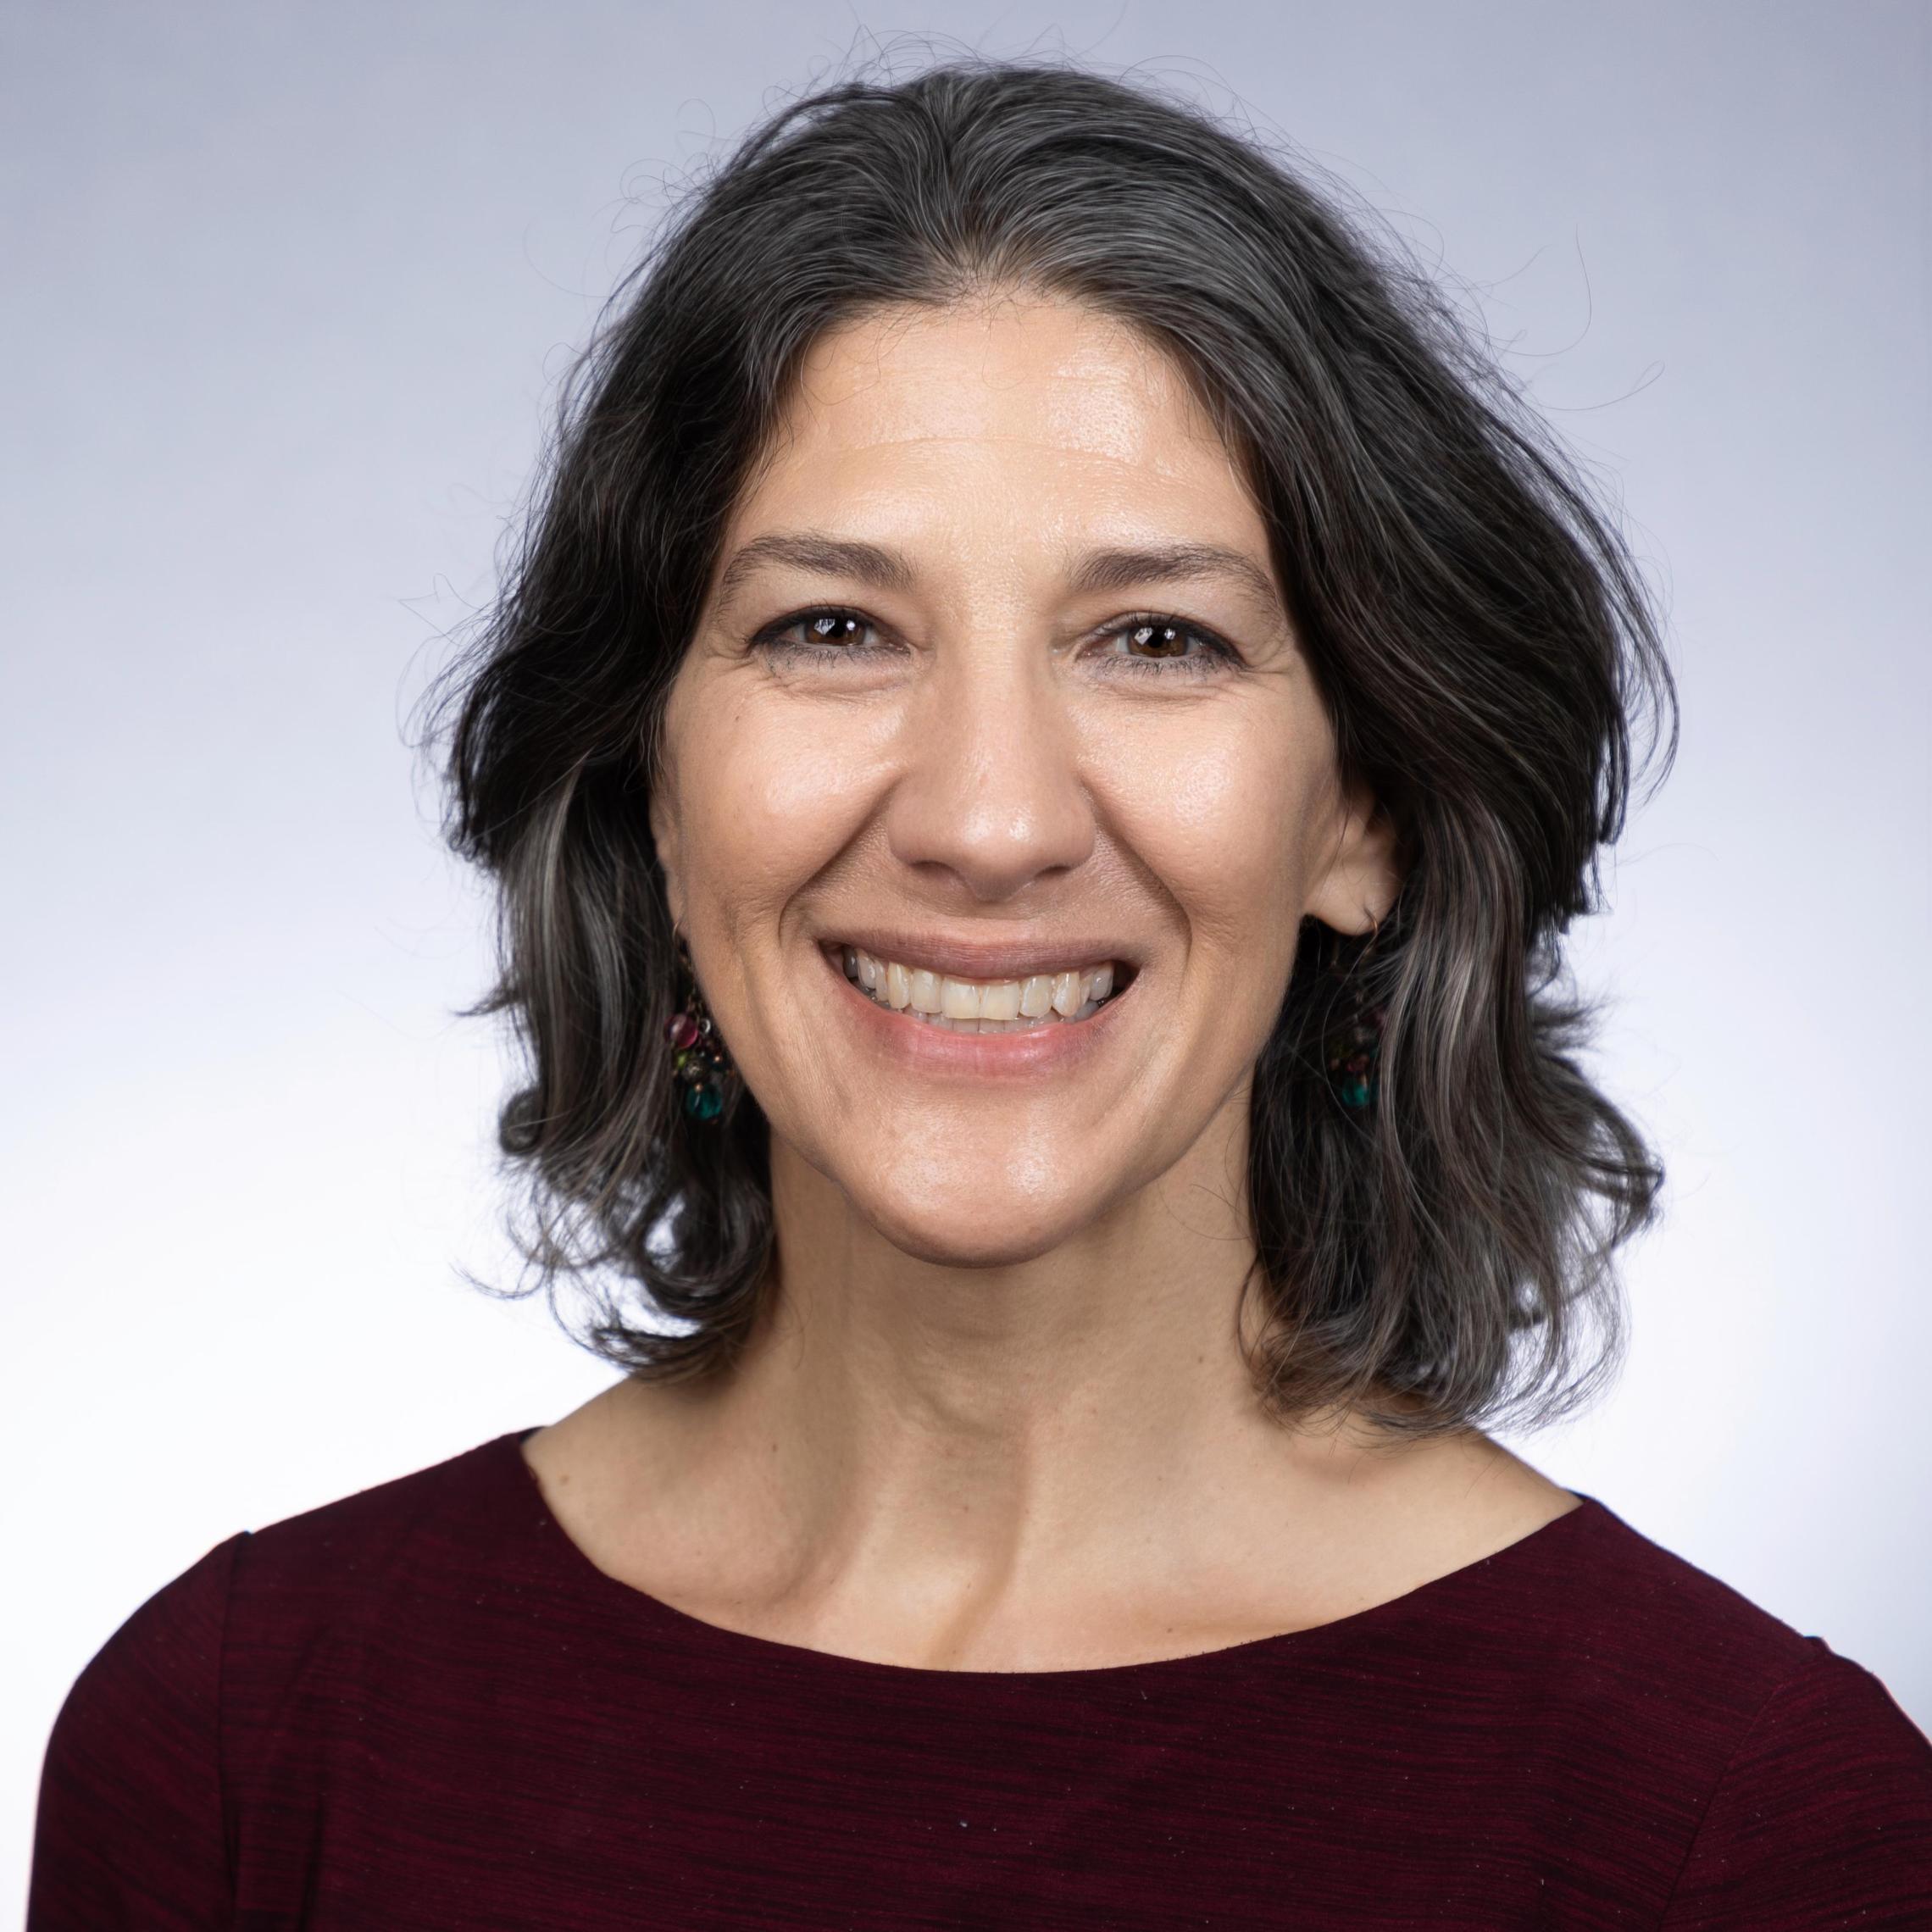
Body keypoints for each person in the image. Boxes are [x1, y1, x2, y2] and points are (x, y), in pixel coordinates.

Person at [28, 56, 1932, 1929]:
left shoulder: (1749, 1832)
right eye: (833, 629)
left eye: (1157, 640)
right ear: (652, 797)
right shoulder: (236, 1747)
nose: (990, 819)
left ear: (1367, 811)